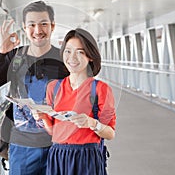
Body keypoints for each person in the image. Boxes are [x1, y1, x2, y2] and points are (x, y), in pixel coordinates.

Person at [0, 0, 69, 175]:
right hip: (22, 146)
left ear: (52, 25)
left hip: (58, 143)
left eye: (44, 24)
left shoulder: (64, 58)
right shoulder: (15, 56)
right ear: (24, 27)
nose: (38, 31)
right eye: (32, 25)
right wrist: (1, 52)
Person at [33, 28, 116, 175]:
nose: (72, 57)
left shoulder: (100, 89)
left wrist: (91, 123)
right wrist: (43, 118)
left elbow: (110, 134)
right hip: (58, 155)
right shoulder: (54, 87)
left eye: (80, 52)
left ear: (90, 56)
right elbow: (54, 132)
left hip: (87, 157)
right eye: (68, 51)